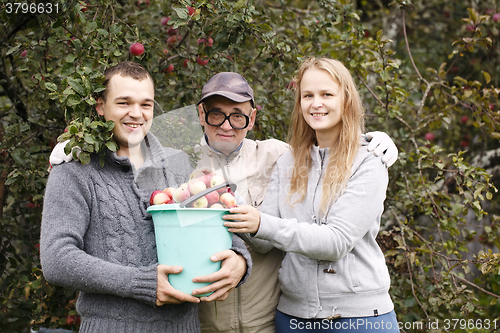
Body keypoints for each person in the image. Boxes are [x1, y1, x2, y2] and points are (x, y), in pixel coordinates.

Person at [49, 70, 398, 333]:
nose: (228, 124)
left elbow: (329, 151)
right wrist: (72, 146)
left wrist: (375, 141)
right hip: (203, 323)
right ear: (201, 115)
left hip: (268, 321)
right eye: (216, 114)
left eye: (239, 115)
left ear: (253, 118)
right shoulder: (178, 160)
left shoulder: (281, 156)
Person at [40, 61, 251, 333]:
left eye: (146, 104)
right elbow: (57, 259)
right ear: (100, 106)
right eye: (124, 103)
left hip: (183, 327)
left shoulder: (177, 164)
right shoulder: (75, 171)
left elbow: (212, 224)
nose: (136, 114)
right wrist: (141, 283)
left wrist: (239, 259)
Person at [223, 57, 400, 332]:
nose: (316, 103)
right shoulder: (288, 161)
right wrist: (230, 201)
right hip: (293, 318)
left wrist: (261, 223)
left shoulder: (369, 159)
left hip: (358, 319)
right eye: (308, 95)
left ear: (346, 99)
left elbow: (336, 242)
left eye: (326, 94)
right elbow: (265, 242)